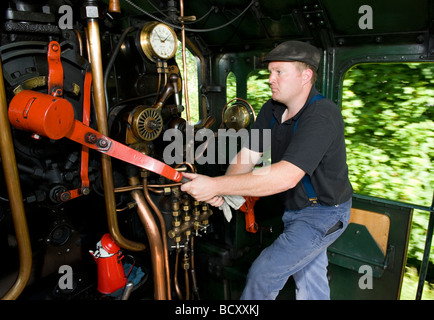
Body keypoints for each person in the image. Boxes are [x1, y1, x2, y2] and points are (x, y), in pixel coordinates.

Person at [181, 40, 353, 300]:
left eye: (279, 72)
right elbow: (247, 156)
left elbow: (286, 176)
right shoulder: (270, 110)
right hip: (295, 208)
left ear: (305, 76)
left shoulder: (322, 115)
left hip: (323, 214)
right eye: (269, 72)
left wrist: (214, 185)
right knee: (311, 281)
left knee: (264, 274)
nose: (270, 79)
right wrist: (225, 190)